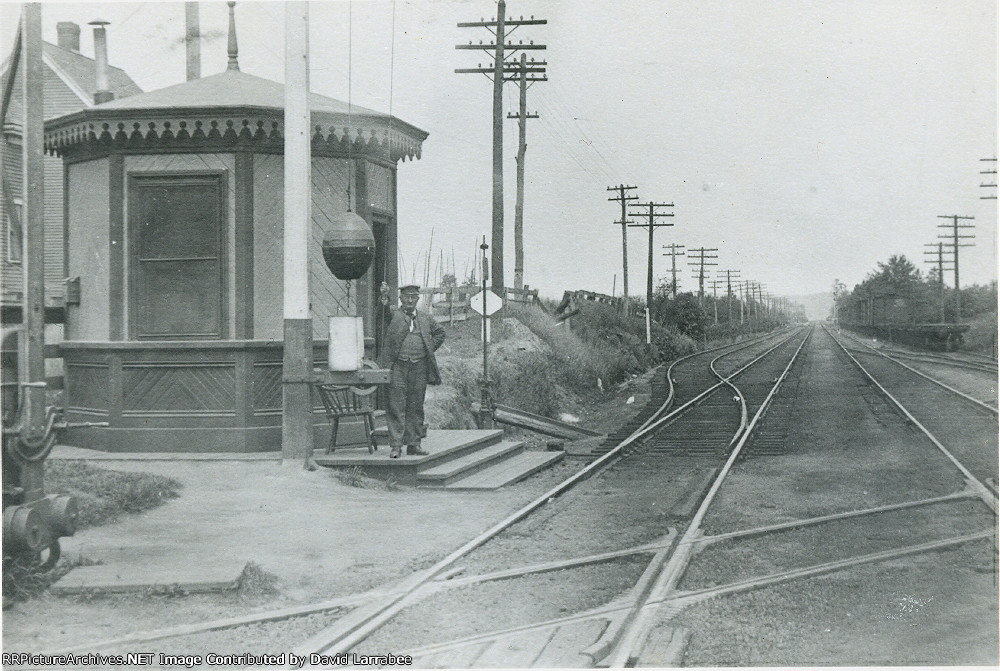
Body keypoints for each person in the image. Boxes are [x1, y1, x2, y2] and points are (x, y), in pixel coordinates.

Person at [379, 285, 446, 458]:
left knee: (416, 406)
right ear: (400, 298)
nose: (410, 300)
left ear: (418, 299)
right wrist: (384, 300)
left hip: (420, 368)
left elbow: (440, 333)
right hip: (398, 368)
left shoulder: (425, 318)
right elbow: (383, 312)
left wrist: (428, 349)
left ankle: (414, 444)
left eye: (413, 297)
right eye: (407, 297)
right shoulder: (394, 315)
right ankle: (396, 446)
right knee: (396, 405)